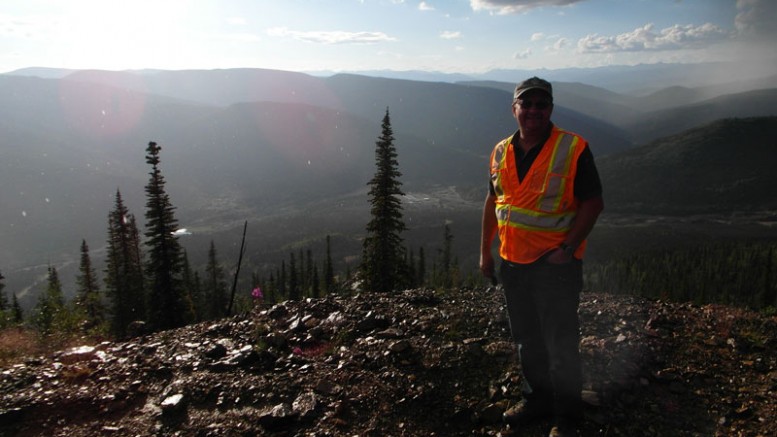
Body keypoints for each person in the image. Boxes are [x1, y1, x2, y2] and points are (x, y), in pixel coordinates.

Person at [480, 77, 604, 437]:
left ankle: (567, 417)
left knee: (560, 342)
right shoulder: (501, 151)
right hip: (513, 264)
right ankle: (538, 401)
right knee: (527, 340)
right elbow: (494, 201)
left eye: (541, 104)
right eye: (527, 104)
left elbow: (593, 203)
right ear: (514, 108)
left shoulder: (573, 148)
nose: (533, 110)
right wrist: (486, 252)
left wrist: (567, 250)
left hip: (554, 267)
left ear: (550, 108)